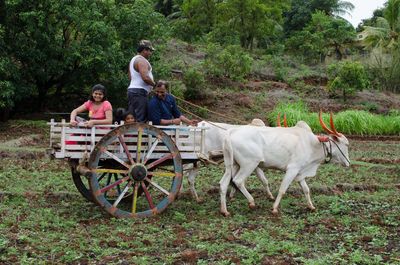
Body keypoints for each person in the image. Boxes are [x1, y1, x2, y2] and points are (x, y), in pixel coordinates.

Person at [127, 40, 156, 123]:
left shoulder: (133, 60)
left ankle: (132, 135)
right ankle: (139, 135)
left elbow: (131, 77)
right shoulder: (141, 60)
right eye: (150, 51)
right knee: (141, 118)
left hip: (132, 91)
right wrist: (154, 85)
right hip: (139, 92)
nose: (150, 53)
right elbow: (145, 77)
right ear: (144, 50)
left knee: (132, 117)